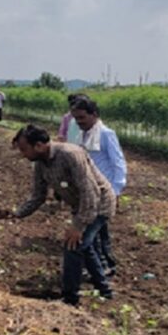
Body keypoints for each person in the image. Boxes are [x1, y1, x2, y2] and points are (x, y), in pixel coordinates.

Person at [0, 124, 115, 306]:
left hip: (99, 205)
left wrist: (78, 226)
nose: (23, 155)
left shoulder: (71, 154)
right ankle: (105, 290)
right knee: (84, 246)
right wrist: (16, 214)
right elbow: (38, 196)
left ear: (39, 145)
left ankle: (70, 299)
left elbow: (90, 192)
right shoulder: (40, 163)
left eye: (24, 149)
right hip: (81, 206)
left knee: (73, 245)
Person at [70, 97, 127, 277]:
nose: (79, 122)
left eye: (82, 118)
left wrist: (116, 190)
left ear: (94, 115)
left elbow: (118, 163)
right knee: (97, 232)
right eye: (76, 119)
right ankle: (102, 265)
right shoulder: (83, 135)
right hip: (89, 190)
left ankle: (102, 267)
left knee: (93, 233)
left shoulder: (105, 134)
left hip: (104, 191)